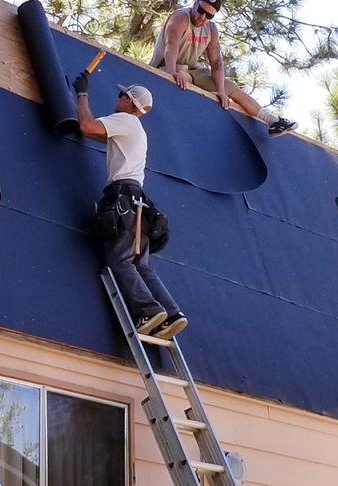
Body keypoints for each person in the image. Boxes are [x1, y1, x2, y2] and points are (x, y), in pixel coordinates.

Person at [72, 72, 189, 340]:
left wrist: (82, 95)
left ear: (130, 102)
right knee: (142, 265)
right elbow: (99, 134)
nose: (117, 98)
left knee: (119, 260)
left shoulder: (125, 121)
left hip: (122, 198)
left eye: (121, 95)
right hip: (139, 205)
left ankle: (148, 309)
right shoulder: (136, 130)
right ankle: (171, 313)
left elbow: (87, 127)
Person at [150, 0, 298, 136]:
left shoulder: (211, 29)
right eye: (201, 10)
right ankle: (181, 73)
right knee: (182, 70)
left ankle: (273, 121)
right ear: (195, 4)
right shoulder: (181, 18)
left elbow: (217, 63)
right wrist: (171, 73)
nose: (203, 17)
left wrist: (221, 91)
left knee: (230, 88)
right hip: (166, 68)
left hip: (191, 71)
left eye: (209, 15)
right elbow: (171, 44)